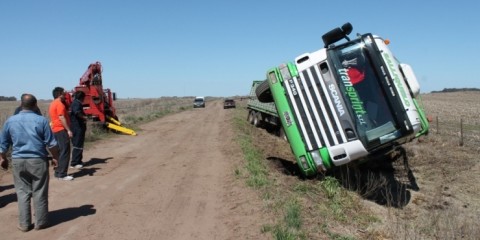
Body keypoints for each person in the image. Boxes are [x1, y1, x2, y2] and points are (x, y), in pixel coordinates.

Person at [0, 94, 59, 232]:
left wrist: (2, 158)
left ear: (21, 104)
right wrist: (55, 157)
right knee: (39, 191)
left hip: (18, 161)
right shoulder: (42, 121)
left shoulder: (10, 121)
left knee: (22, 193)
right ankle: (41, 222)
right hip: (38, 160)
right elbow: (51, 144)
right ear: (35, 105)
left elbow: (3, 144)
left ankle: (24, 224)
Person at [49, 87, 74, 181]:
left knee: (59, 151)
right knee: (65, 151)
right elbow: (61, 117)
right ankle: (62, 174)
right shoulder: (59, 104)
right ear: (60, 94)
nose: (65, 95)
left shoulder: (52, 103)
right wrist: (68, 130)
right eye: (64, 93)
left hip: (55, 130)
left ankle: (58, 172)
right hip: (61, 130)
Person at [69, 91, 87, 168]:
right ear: (82, 97)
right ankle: (74, 163)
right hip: (77, 127)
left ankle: (78, 161)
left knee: (79, 144)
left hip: (79, 126)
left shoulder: (76, 103)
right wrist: (84, 117)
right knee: (77, 144)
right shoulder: (76, 103)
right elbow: (77, 112)